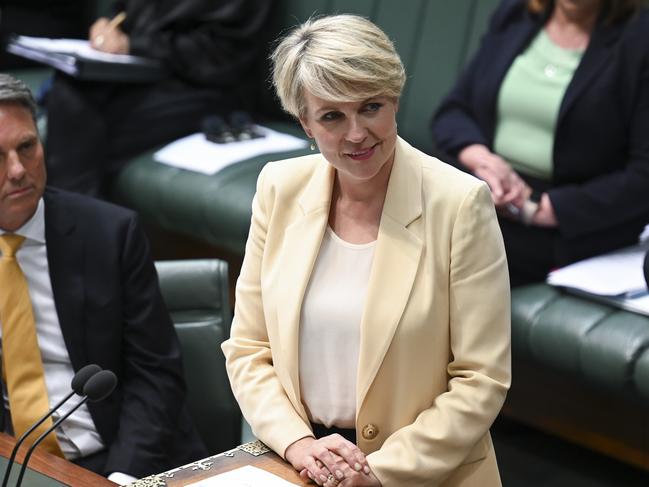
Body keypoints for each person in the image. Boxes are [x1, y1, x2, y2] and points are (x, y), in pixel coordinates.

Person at [222, 15, 511, 487]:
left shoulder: (460, 204)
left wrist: (377, 474)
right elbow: (249, 348)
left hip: (422, 474)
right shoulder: (279, 186)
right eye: (332, 116)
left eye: (371, 107)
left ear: (394, 100)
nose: (357, 133)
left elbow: (481, 379)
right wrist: (298, 444)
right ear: (306, 124)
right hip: (299, 462)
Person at [0, 74, 206, 484]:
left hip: (119, 459)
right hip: (17, 464)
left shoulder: (109, 234)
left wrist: (122, 476)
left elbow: (156, 373)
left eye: (27, 147)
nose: (18, 170)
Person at [431, 0, 649, 286]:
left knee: (437, 244)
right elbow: (453, 110)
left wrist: (542, 209)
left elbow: (643, 177)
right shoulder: (516, 13)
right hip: (482, 185)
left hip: (562, 222)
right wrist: (483, 160)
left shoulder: (639, 39)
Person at [45, 0, 273, 197]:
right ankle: (68, 232)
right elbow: (124, 11)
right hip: (137, 73)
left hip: (206, 87)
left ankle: (75, 237)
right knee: (68, 93)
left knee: (82, 126)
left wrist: (133, 45)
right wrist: (107, 26)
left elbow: (225, 54)